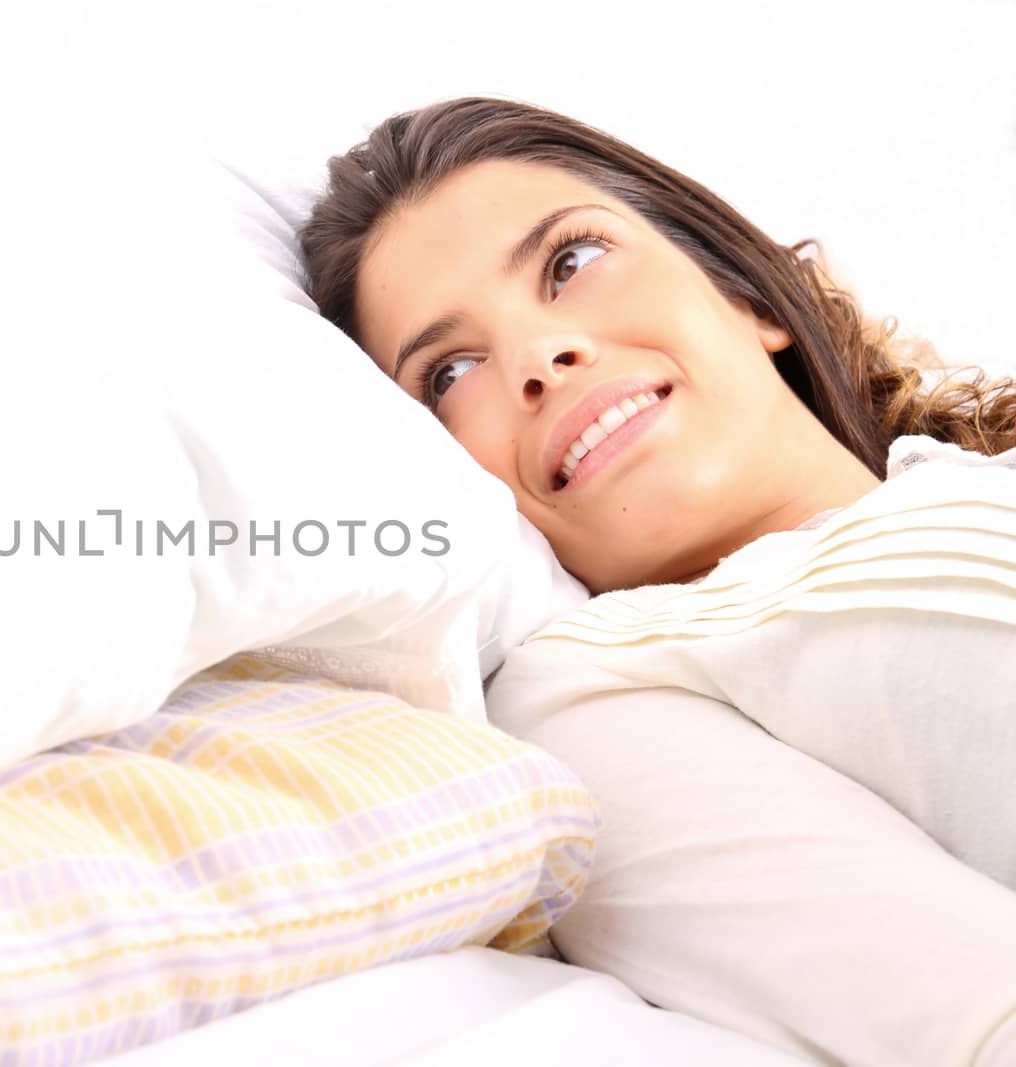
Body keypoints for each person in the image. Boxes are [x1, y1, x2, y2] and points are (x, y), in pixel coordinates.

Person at [300, 97, 1016, 1067]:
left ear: (746, 295)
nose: (536, 358)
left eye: (569, 262)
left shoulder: (970, 478)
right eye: (448, 370)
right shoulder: (592, 693)